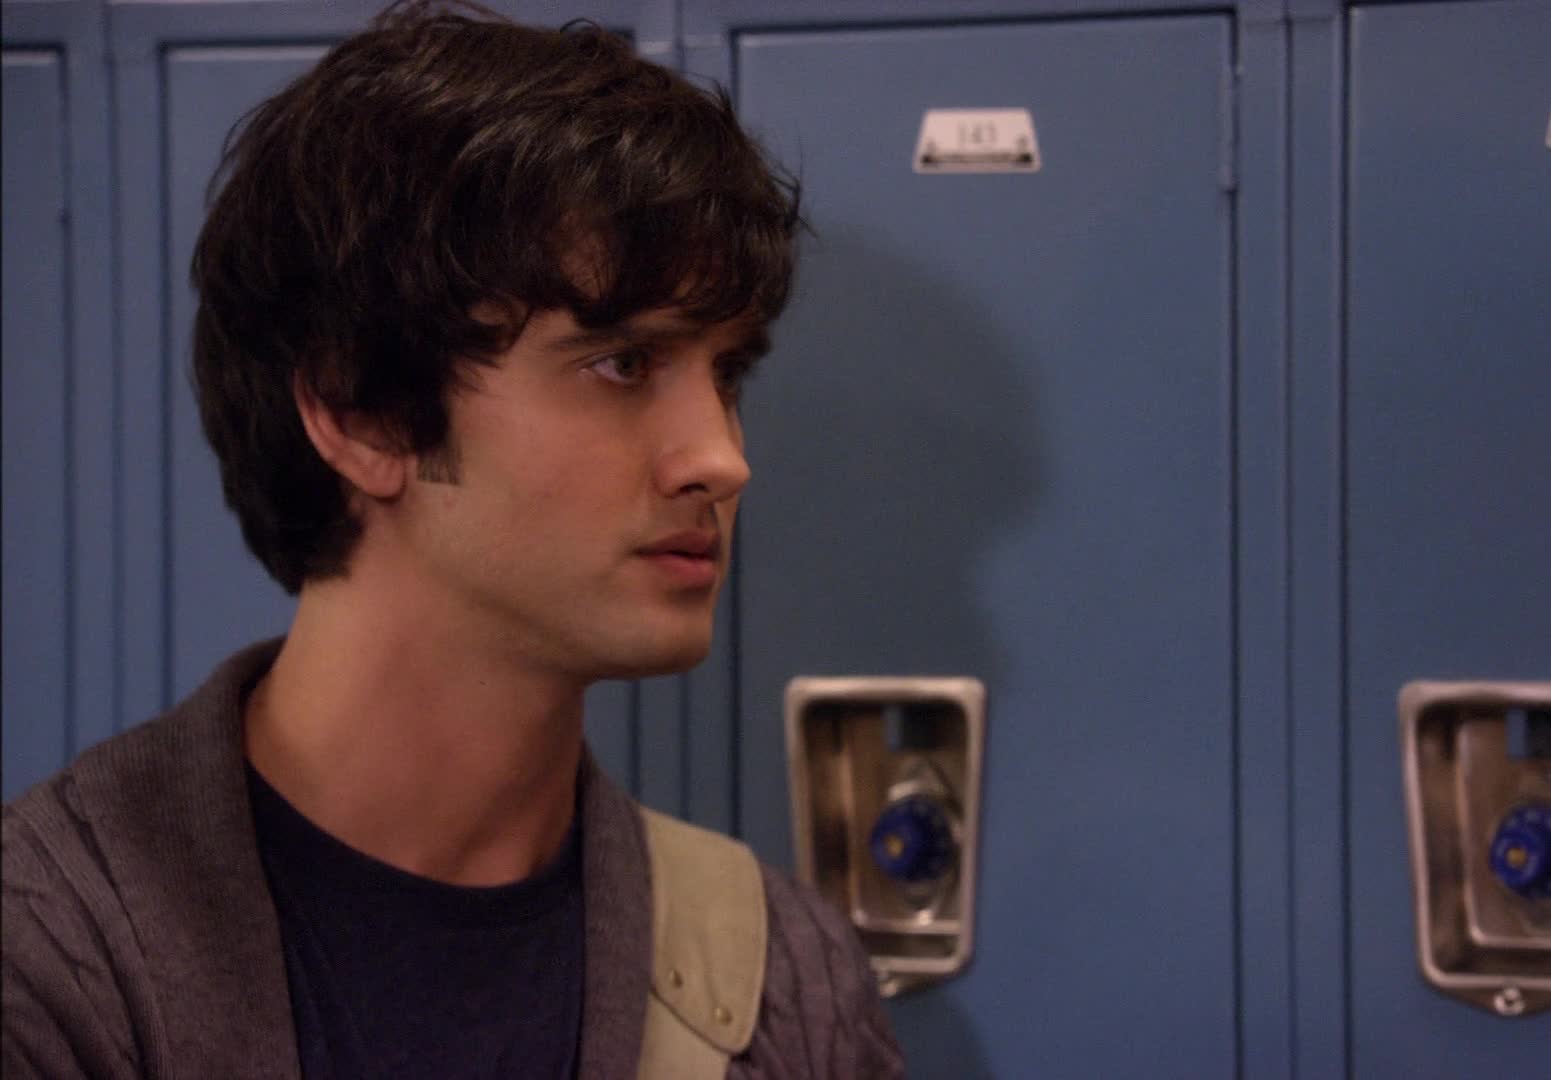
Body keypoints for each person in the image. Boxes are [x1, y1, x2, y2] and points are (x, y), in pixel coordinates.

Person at [1, 3, 904, 1076]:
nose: (721, 457)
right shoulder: (53, 962)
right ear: (361, 412)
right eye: (621, 363)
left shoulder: (786, 986)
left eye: (728, 376)